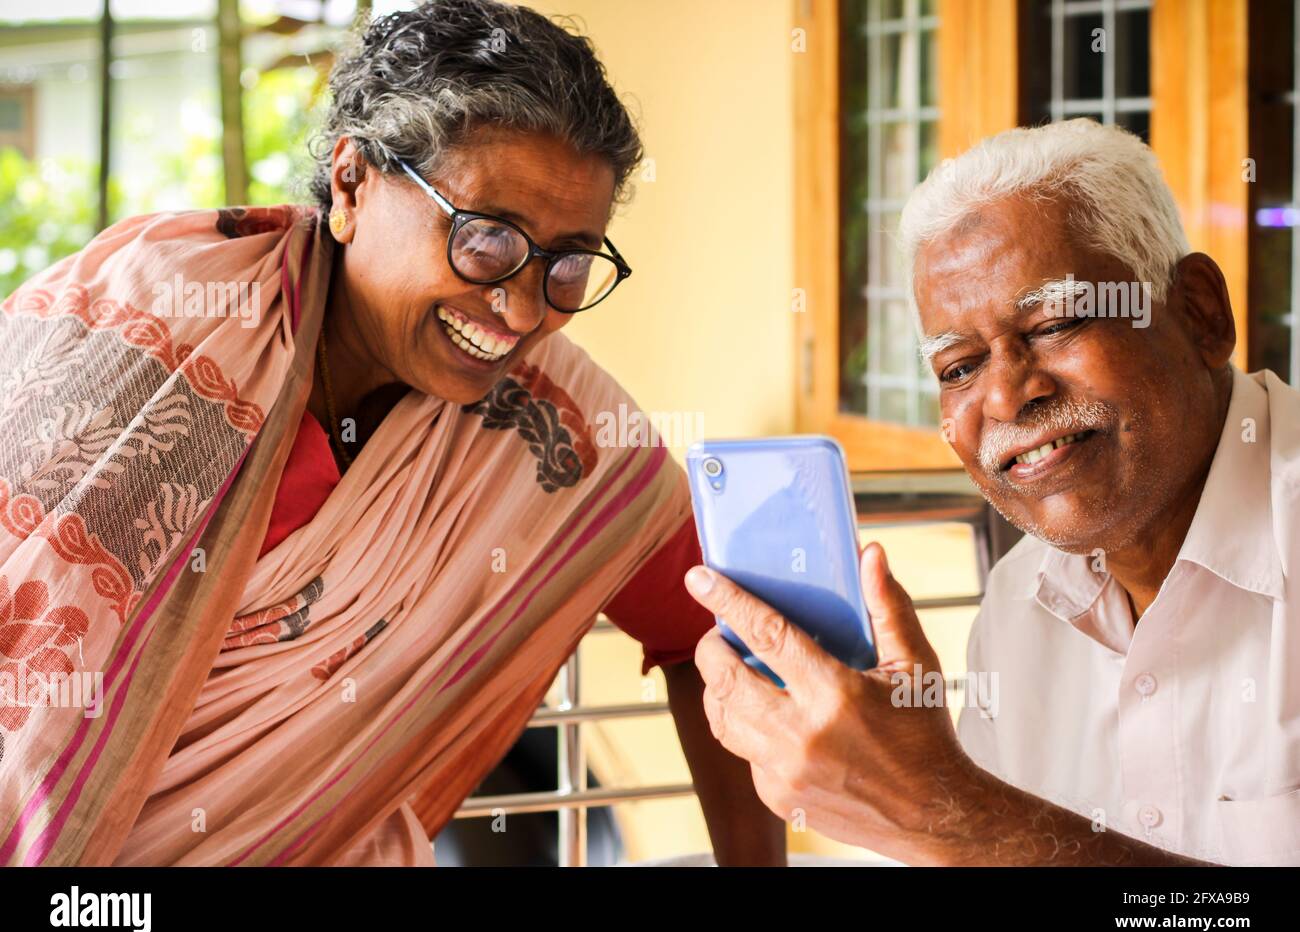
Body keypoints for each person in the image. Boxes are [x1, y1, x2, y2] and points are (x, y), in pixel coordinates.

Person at [0, 0, 784, 866]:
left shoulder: (555, 435)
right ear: (351, 185)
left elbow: (713, 629)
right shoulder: (162, 340)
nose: (523, 309)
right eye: (487, 238)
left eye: (567, 262)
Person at [687, 119, 1300, 866]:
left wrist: (943, 812)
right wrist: (912, 801)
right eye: (958, 368)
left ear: (1200, 313)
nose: (1007, 397)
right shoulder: (1019, 606)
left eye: (1055, 322)